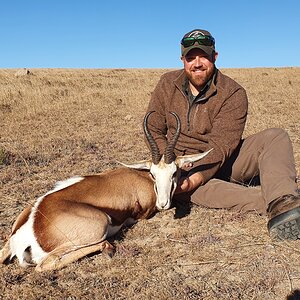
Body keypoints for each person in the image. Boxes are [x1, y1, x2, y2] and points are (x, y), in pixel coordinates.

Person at [145, 28, 300, 240]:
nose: (197, 63)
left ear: (214, 57)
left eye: (204, 56)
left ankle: (283, 201)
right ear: (182, 60)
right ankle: (278, 203)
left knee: (276, 136)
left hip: (222, 161)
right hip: (180, 172)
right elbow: (153, 127)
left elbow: (222, 144)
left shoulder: (234, 92)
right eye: (191, 57)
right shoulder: (166, 84)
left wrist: (198, 177)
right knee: (207, 193)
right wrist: (170, 165)